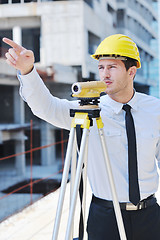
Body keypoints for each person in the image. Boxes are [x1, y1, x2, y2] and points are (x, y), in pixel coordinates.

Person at [3, 34, 160, 240]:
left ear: (131, 71)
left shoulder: (154, 109)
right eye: (101, 67)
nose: (105, 74)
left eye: (112, 67)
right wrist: (27, 71)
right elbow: (46, 107)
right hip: (105, 217)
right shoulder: (87, 111)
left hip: (149, 215)